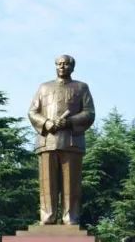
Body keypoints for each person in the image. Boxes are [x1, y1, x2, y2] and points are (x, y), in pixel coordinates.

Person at [28, 53, 96, 225]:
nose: (62, 67)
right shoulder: (44, 87)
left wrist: (70, 121)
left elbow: (89, 113)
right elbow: (32, 112)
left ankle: (70, 217)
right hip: (47, 140)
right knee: (47, 183)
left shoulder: (81, 87)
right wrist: (47, 123)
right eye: (59, 64)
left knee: (71, 184)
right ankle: (48, 216)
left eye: (66, 64)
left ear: (72, 67)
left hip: (71, 141)